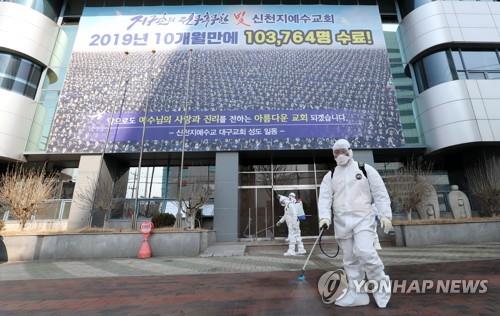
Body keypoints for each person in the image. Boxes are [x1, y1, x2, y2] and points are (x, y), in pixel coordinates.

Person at [318, 139, 393, 308]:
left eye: (343, 151)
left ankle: (381, 287)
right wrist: (324, 217)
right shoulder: (330, 175)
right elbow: (324, 198)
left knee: (365, 252)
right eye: (336, 152)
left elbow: (380, 193)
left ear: (350, 151)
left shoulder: (365, 170)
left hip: (363, 220)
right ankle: (358, 294)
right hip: (341, 222)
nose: (340, 155)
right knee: (350, 260)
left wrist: (385, 215)